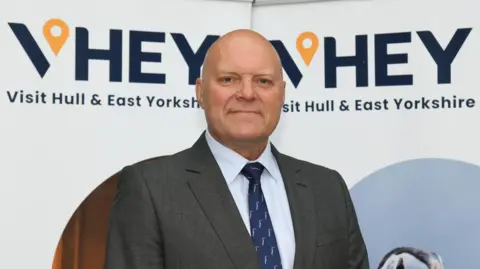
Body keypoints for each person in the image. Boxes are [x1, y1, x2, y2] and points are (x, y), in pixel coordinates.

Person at [104, 29, 369, 269]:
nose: (247, 93)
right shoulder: (150, 190)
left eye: (263, 81)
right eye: (229, 79)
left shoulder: (327, 188)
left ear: (282, 94)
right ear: (200, 92)